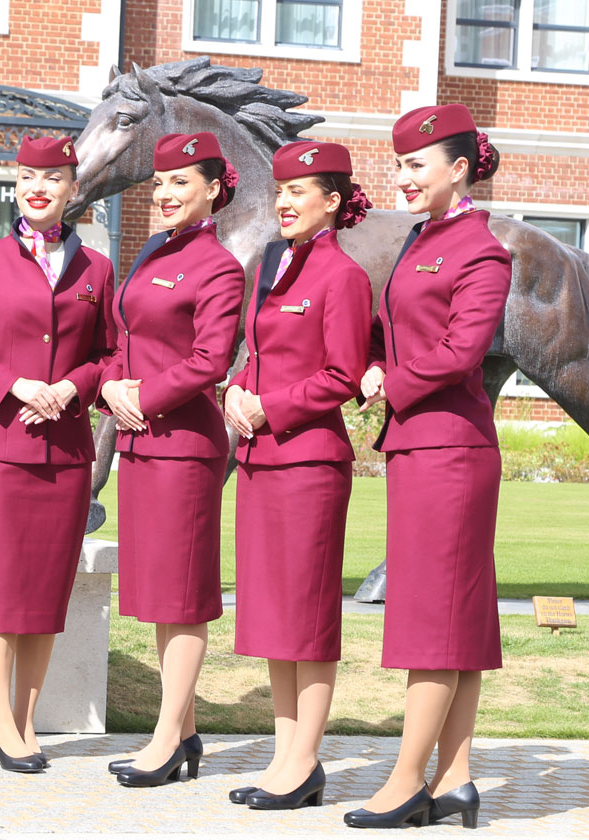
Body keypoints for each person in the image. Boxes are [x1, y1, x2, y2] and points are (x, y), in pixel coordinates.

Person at [0, 135, 116, 773]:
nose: (39, 187)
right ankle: (0, 722)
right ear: (16, 184)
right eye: (28, 176)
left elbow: (112, 356)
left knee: (45, 593)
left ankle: (28, 718)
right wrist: (11, 384)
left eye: (53, 177)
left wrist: (71, 386)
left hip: (65, 454)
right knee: (1, 590)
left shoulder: (98, 269)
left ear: (72, 188)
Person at [346, 103, 510, 829]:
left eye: (417, 164)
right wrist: (378, 365)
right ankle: (456, 779)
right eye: (401, 164)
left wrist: (396, 380)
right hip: (420, 446)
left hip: (451, 449)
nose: (404, 176)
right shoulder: (421, 240)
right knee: (456, 619)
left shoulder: (481, 250)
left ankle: (407, 780)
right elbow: (395, 331)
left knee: (432, 621)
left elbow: (461, 353)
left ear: (459, 170)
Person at [223, 141, 373, 810]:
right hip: (261, 457)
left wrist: (269, 406)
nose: (283, 201)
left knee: (306, 620)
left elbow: (342, 375)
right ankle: (287, 758)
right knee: (275, 617)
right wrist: (235, 390)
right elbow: (259, 350)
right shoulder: (275, 265)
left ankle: (305, 759)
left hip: (309, 464)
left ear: (333, 202)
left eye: (299, 192)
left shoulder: (342, 276)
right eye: (279, 191)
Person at [99, 132, 244, 787]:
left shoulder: (217, 264)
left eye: (180, 182)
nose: (164, 194)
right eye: (159, 183)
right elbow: (124, 341)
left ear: (213, 188)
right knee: (158, 598)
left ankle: (164, 740)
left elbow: (212, 360)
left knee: (182, 600)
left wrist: (144, 398)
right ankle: (184, 735)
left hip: (183, 447)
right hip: (141, 444)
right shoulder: (153, 250)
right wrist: (110, 388)